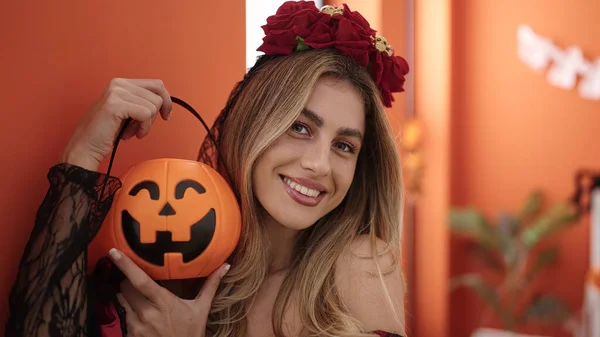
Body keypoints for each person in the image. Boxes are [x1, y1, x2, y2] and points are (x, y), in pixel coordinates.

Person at [5, 1, 410, 336]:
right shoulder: (170, 249)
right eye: (299, 127)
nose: (320, 164)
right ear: (252, 124)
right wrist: (83, 156)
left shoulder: (358, 265)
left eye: (344, 145)